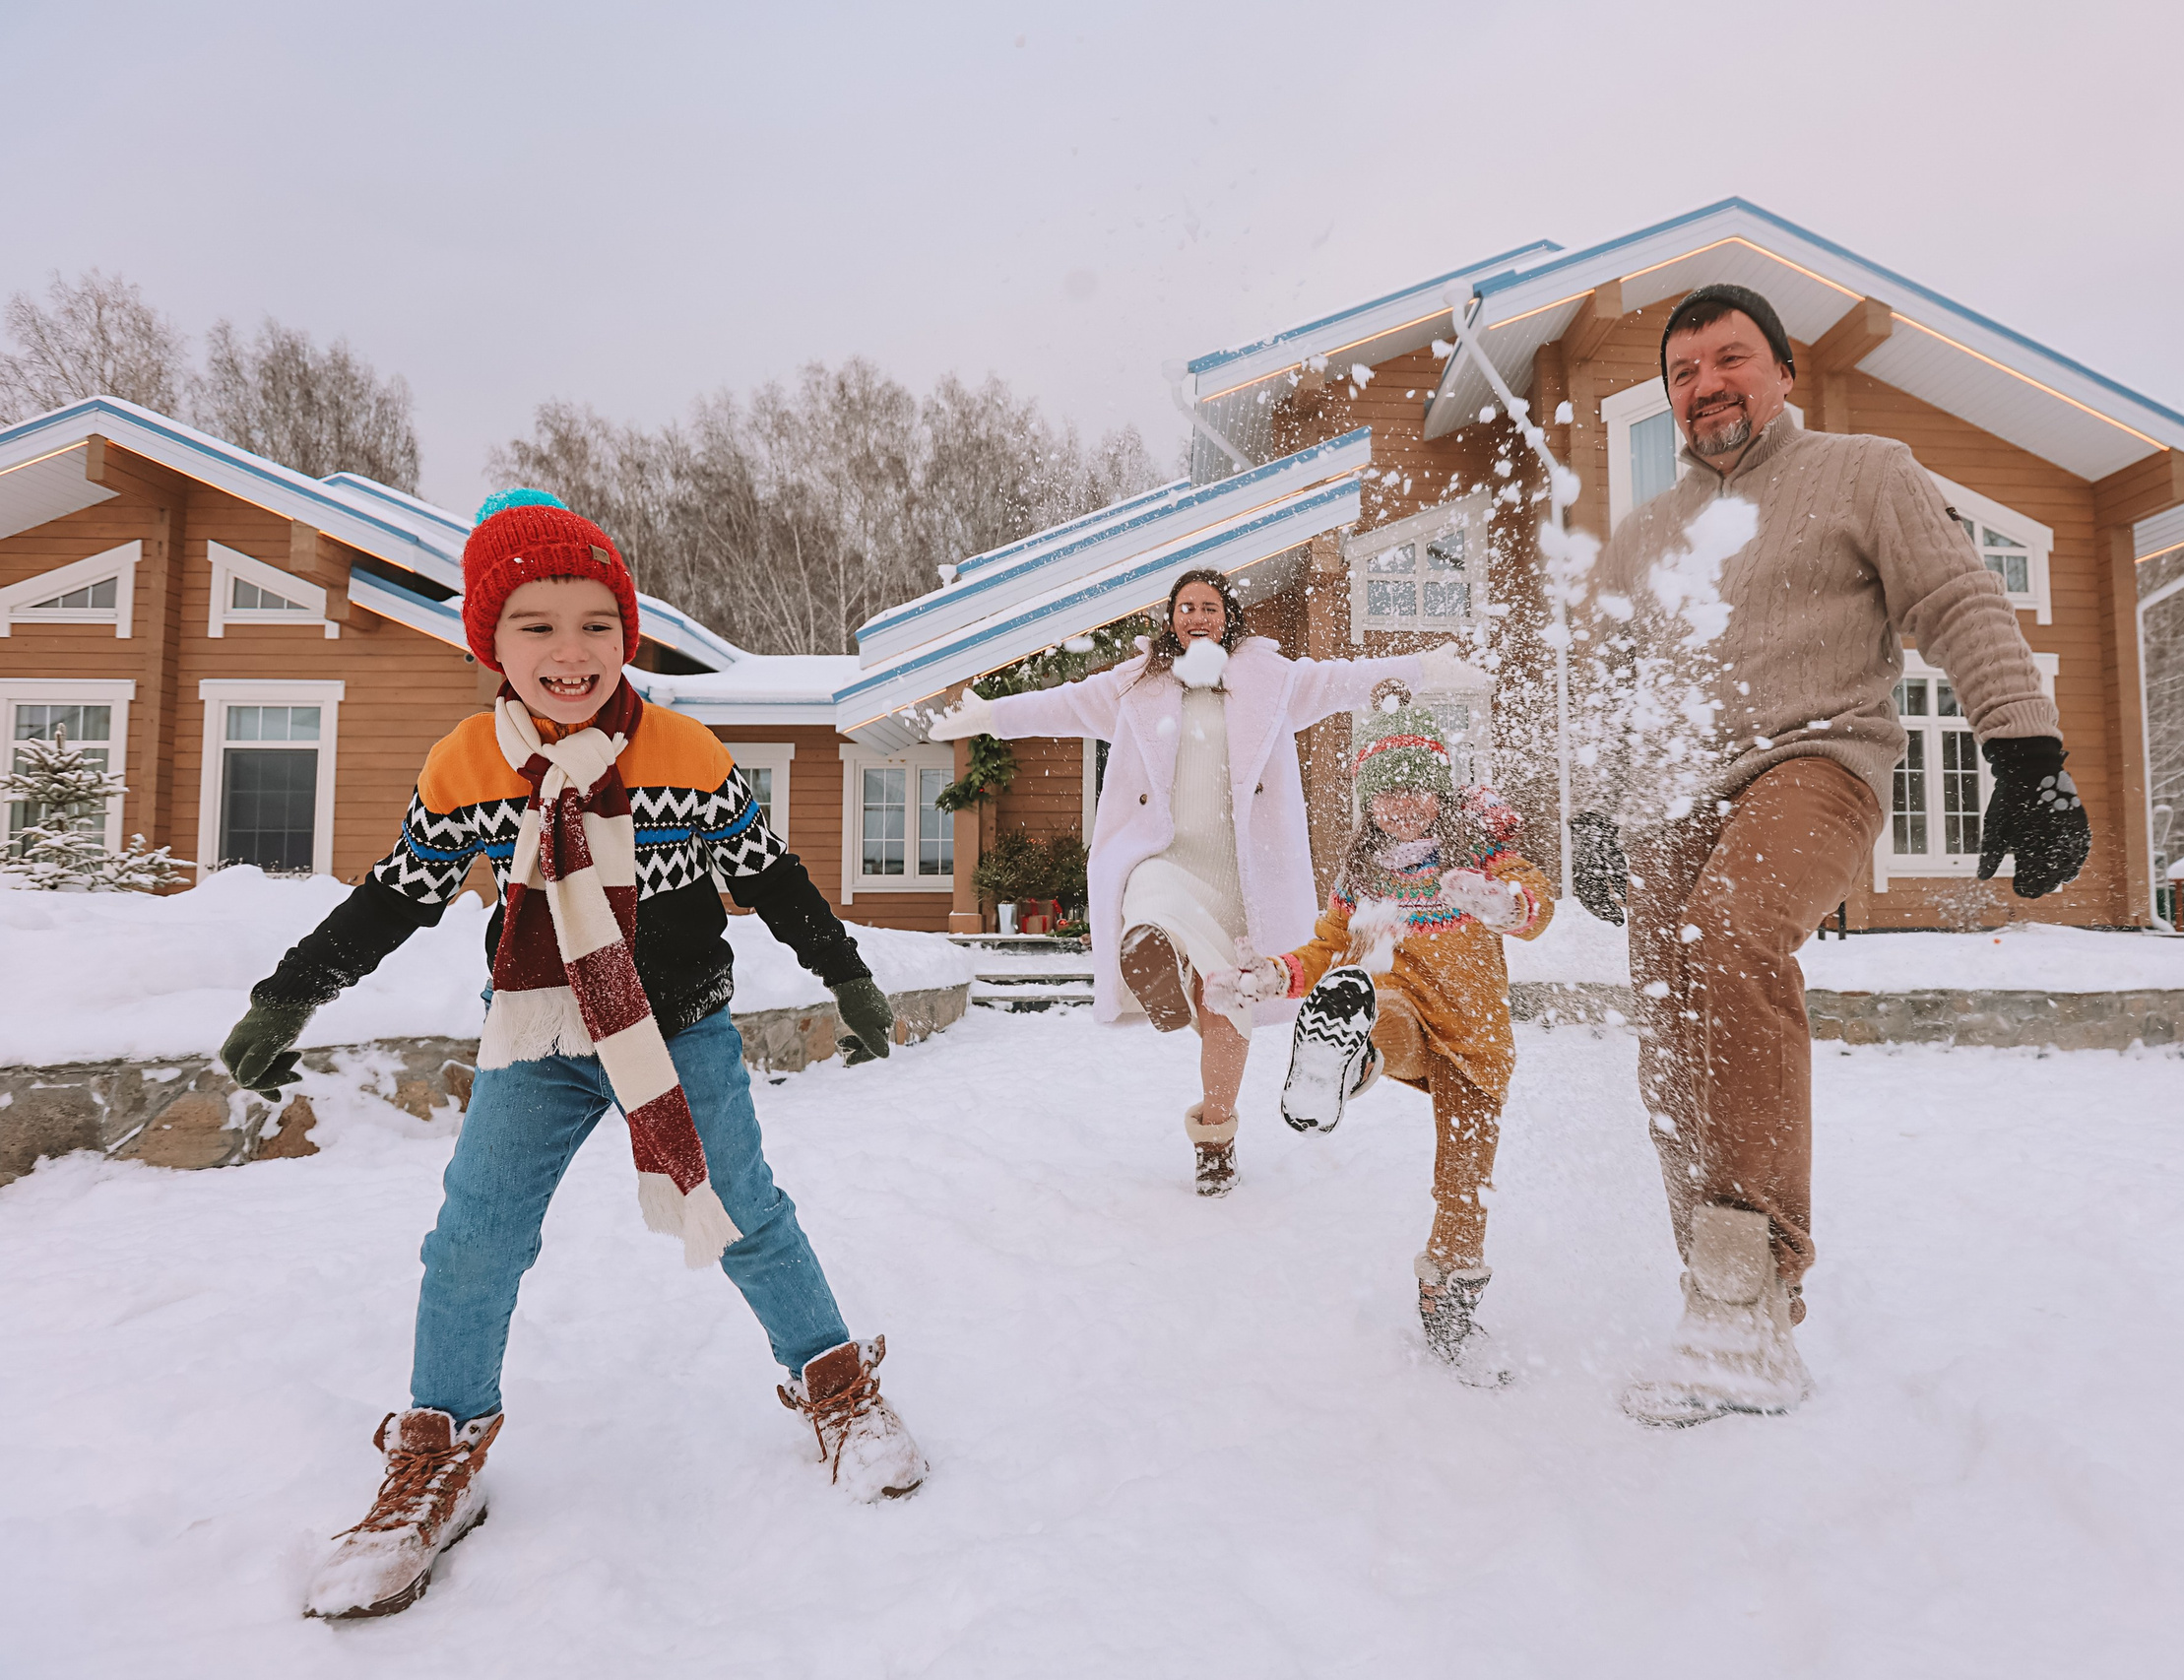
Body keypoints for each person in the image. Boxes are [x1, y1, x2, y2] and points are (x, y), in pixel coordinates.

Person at [219, 490, 925, 1621]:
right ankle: (436, 1452)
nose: (571, 650)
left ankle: (835, 1383)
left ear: (627, 634)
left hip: (675, 1025)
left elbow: (773, 873)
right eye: (536, 624)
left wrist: (843, 971)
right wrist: (289, 995)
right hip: (539, 1031)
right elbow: (399, 893)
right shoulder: (465, 767)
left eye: (597, 621)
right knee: (474, 1235)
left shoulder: (684, 754)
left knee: (741, 1205)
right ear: (490, 643)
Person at [1575, 284, 2091, 1427]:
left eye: (1730, 358)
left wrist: (2026, 750)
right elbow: (1606, 692)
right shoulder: (1640, 540)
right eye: (1682, 371)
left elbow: (1957, 598)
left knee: (1727, 933)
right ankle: (1716, 1289)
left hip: (1817, 764)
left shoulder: (1866, 471)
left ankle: (1756, 1296)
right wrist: (1591, 815)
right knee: (1667, 1013)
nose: (1705, 384)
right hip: (1670, 794)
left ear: (1782, 372)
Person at [929, 568, 1452, 1195]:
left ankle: (1216, 1134)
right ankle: (1158, 963)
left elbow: (1346, 680)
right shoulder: (1135, 685)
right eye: (1185, 607)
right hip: (1168, 854)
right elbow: (1061, 704)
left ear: (1228, 615)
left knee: (1226, 1002)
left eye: (1208, 606)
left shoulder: (1274, 682)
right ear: (1171, 619)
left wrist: (1424, 669)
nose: (1197, 616)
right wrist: (989, 715)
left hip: (1240, 876)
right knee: (1147, 900)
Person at [1211, 708, 1553, 1379]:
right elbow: (1327, 947)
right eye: (1386, 793)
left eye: (1416, 789)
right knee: (1374, 1002)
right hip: (1398, 1009)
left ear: (1441, 794)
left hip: (1474, 1043)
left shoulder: (1480, 857)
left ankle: (1449, 1306)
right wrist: (1272, 975)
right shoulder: (1362, 875)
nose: (1402, 805)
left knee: (1463, 1185)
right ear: (1367, 803)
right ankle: (1344, 1054)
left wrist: (1505, 904)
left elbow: (1533, 896)